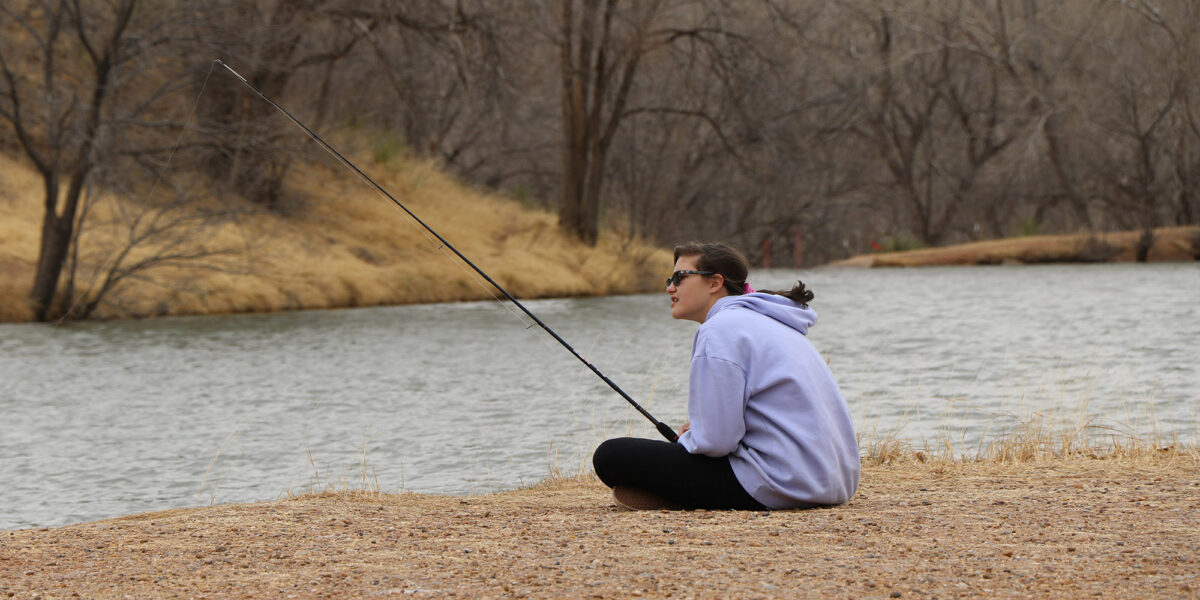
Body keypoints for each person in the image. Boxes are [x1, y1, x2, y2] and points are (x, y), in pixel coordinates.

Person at [592, 242, 860, 510]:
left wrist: (692, 438)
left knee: (610, 456)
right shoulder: (769, 321)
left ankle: (681, 497)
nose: (670, 288)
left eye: (679, 278)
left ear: (714, 283)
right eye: (669, 279)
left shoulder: (719, 329)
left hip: (780, 484)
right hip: (834, 483)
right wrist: (699, 431)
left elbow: (716, 443)